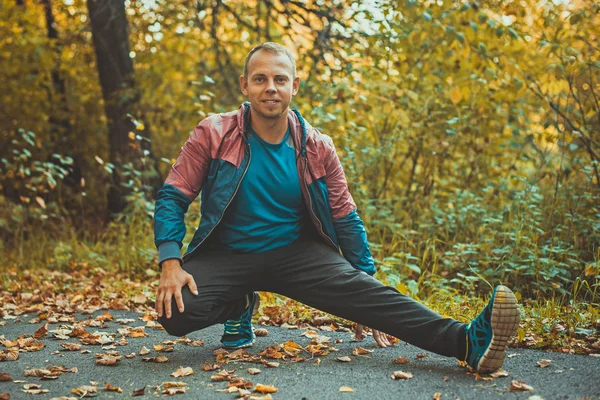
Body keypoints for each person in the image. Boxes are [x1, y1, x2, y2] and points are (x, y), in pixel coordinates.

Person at [153, 42, 520, 373]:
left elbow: (346, 216)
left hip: (296, 255)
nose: (270, 88)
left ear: (294, 86)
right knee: (175, 311)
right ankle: (238, 305)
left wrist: (365, 285)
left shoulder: (317, 146)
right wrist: (170, 261)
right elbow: (174, 196)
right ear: (244, 85)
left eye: (280, 79)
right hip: (227, 255)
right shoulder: (214, 133)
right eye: (260, 78)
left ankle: (467, 341)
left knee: (374, 295)